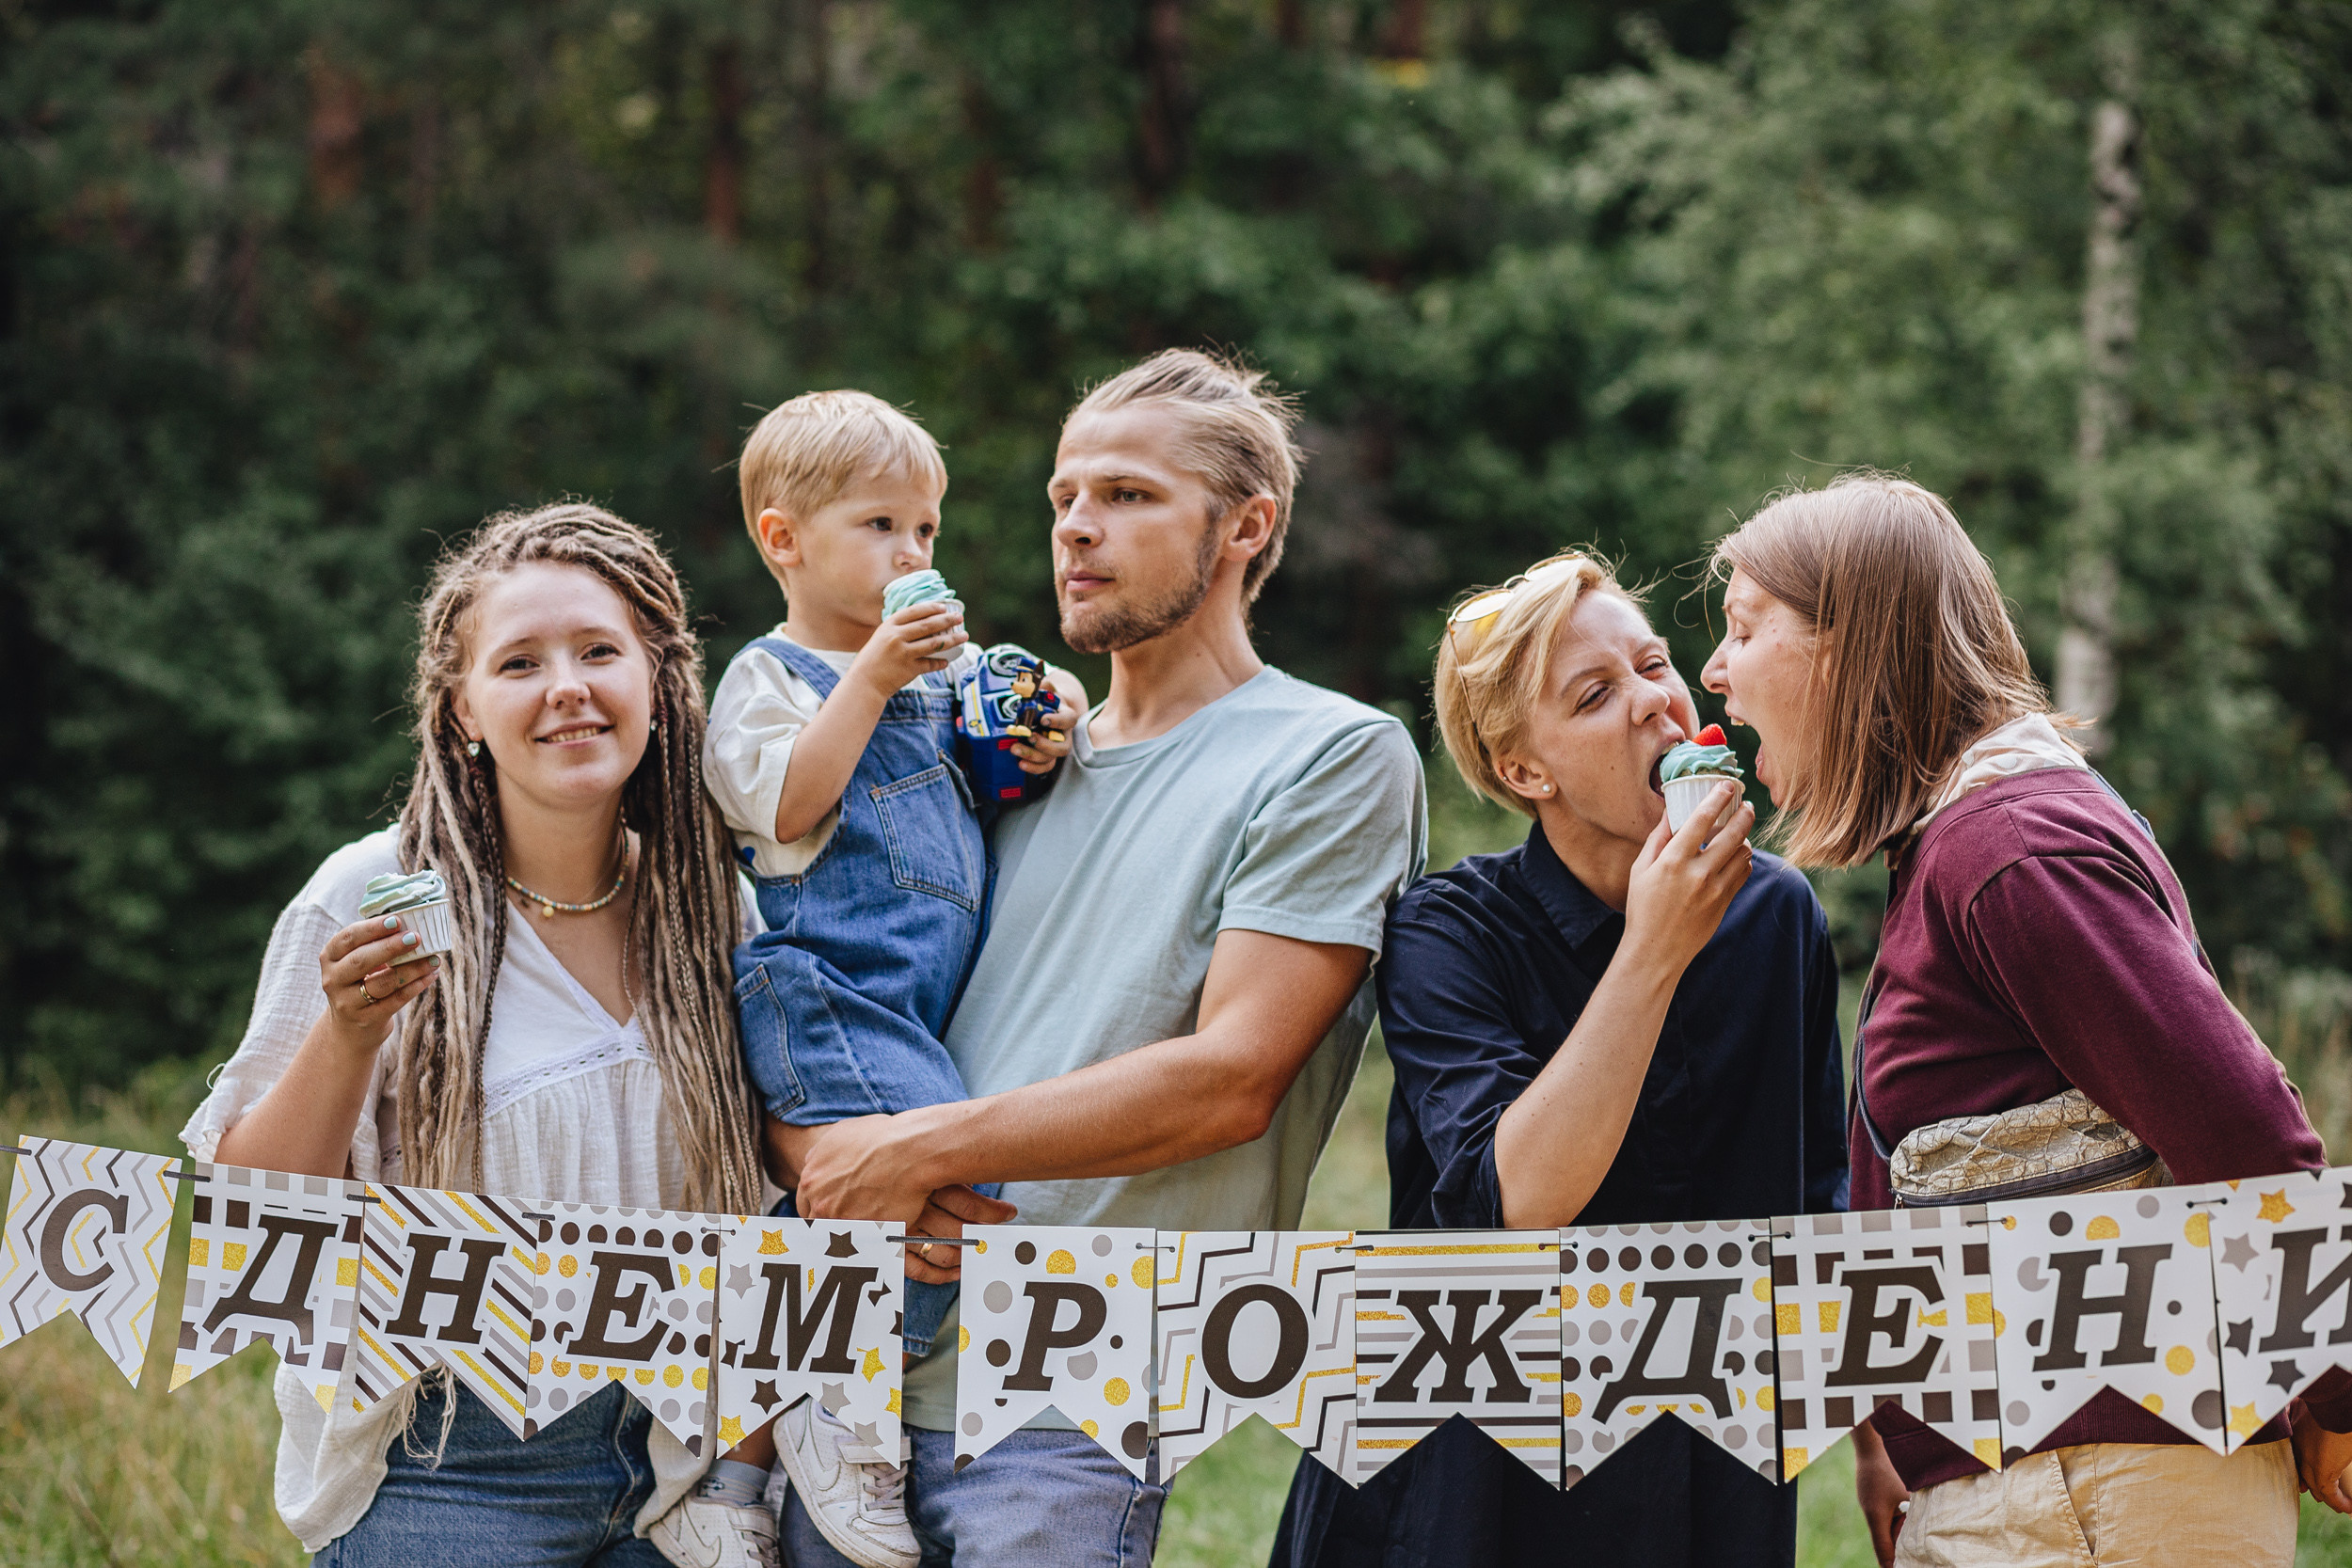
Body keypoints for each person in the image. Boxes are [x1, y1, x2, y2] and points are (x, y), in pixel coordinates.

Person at [768, 347, 1428, 1566]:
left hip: (1073, 1388)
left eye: (1127, 495)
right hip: (849, 1366)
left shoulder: (1331, 754)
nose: (1077, 527)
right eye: (1064, 497)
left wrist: (916, 1152)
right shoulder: (1007, 745)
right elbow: (825, 972)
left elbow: (1234, 1075)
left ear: (1247, 525)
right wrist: (837, 1165)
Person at [1698, 472, 2350, 1568]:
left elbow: (2245, 1130)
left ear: (1847, 644)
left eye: (1744, 626)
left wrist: (2333, 1386)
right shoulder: (1966, 845)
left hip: (2100, 1489)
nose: (1714, 669)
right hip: (2053, 1484)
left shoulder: (2009, 850)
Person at [181, 504, 774, 1566]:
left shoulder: (711, 905)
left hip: (681, 1473)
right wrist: (349, 1032)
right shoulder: (369, 893)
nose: (567, 686)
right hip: (448, 1469)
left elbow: (771, 1193)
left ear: (658, 681)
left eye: (600, 650)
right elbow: (254, 1219)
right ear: (463, 709)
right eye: (518, 662)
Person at [1270, 551, 1847, 1568]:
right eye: (1592, 694)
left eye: (1651, 663)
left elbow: (1816, 1207)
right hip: (1463, 1472)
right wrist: (1655, 946)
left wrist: (1885, 1442)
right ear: (1522, 771)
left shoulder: (1775, 912)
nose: (1652, 703)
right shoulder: (1447, 930)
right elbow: (1516, 1198)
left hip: (1698, 1465)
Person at [695, 388, 1078, 1568]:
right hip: (826, 984)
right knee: (941, 1183)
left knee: (831, 1225)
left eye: (926, 531)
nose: (911, 553)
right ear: (783, 540)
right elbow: (789, 802)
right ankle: (835, 1413)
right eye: (879, 526)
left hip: (911, 1000)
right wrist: (865, 675)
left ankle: (729, 1474)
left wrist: (1038, 725)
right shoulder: (770, 680)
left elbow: (988, 795)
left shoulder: (927, 678)